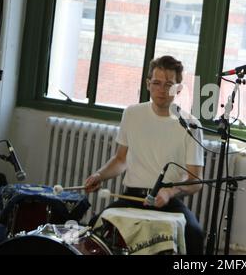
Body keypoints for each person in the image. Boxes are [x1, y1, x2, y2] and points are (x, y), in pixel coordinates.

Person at [84, 55, 205, 255]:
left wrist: (169, 192)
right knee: (95, 228)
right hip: (132, 197)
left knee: (194, 234)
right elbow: (120, 160)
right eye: (156, 83)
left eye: (169, 85)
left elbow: (195, 180)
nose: (162, 90)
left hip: (167, 200)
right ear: (148, 84)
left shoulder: (190, 124)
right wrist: (99, 175)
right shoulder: (132, 114)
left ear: (179, 88)